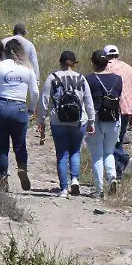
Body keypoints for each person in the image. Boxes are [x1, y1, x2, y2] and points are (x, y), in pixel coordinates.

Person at [0, 38, 39, 193]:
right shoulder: (27, 68)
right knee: (20, 144)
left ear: (4, 52)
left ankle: (3, 178)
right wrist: (31, 108)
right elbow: (34, 92)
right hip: (19, 107)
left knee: (2, 147)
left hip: (0, 107)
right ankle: (22, 168)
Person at [38, 51, 95, 198]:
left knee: (62, 153)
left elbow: (45, 100)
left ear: (60, 62)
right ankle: (75, 179)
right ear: (73, 63)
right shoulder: (81, 78)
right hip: (79, 121)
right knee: (75, 151)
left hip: (58, 121)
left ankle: (63, 189)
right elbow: (88, 101)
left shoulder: (53, 77)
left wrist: (41, 120)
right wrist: (91, 120)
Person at [86, 50, 123, 198]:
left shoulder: (89, 79)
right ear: (107, 63)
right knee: (109, 152)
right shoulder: (118, 79)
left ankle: (99, 189)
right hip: (113, 118)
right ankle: (112, 177)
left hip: (95, 119)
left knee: (97, 156)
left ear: (93, 63)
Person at [104, 44, 132, 177]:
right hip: (127, 109)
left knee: (106, 142)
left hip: (110, 109)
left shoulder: (106, 67)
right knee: (118, 141)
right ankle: (118, 173)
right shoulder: (129, 68)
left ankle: (124, 159)